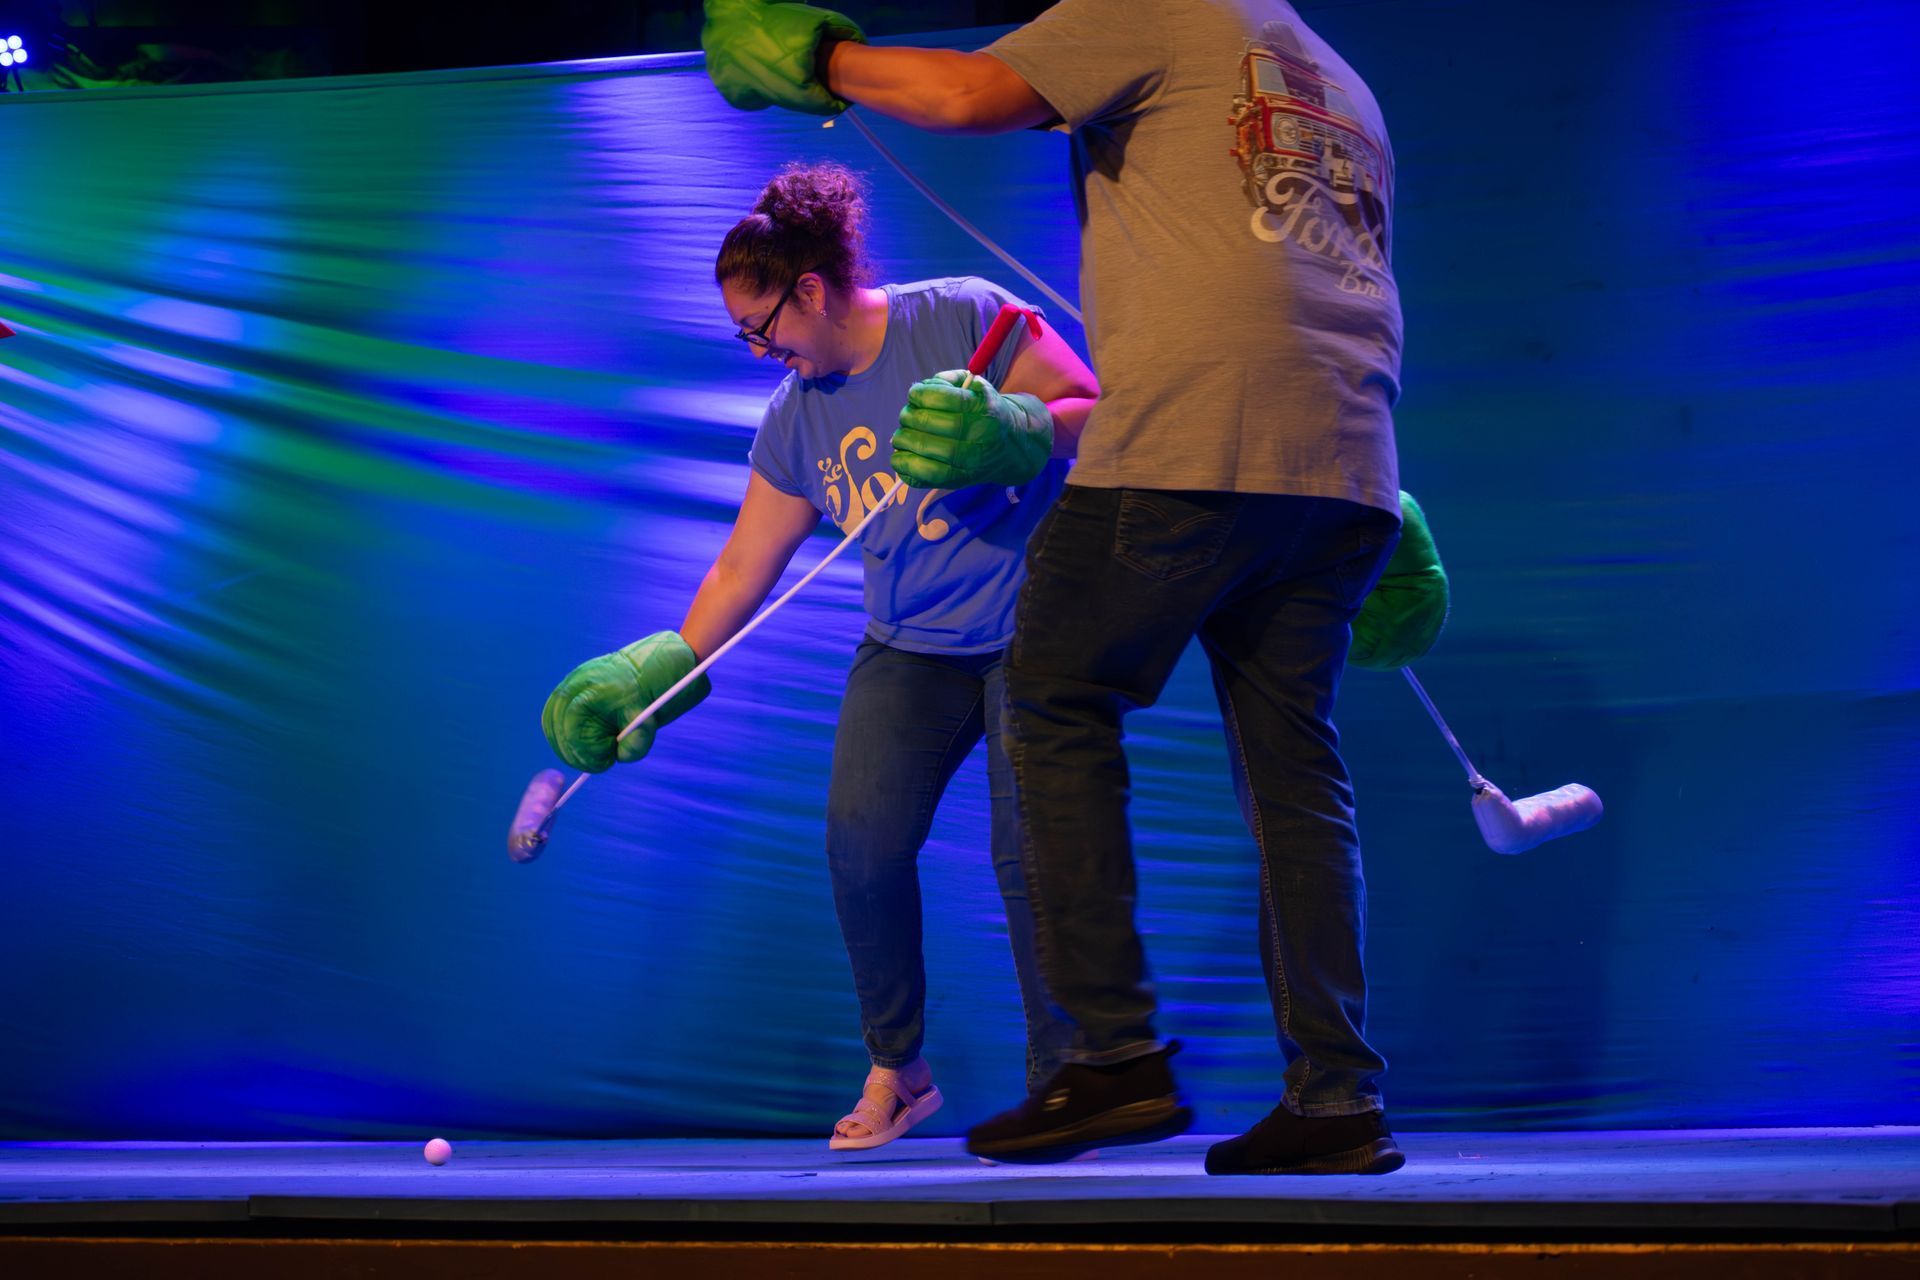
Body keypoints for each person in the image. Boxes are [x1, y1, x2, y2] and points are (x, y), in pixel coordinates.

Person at [703, 0, 1414, 1174]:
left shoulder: (1167, 11)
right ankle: (1336, 1096)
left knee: (1041, 693)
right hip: (1345, 467)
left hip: (1198, 443)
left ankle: (1107, 1057)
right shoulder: (1339, 79)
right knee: (1295, 775)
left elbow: (970, 95)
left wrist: (823, 61)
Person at [540, 161, 1101, 1151]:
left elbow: (1095, 414)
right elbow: (740, 568)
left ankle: (1069, 1084)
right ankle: (902, 1069)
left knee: (1034, 860)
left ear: (811, 289)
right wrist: (649, 678)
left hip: (1039, 632)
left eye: (764, 328)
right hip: (911, 649)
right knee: (861, 845)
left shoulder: (963, 315)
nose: (761, 351)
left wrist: (1016, 429)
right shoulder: (796, 419)